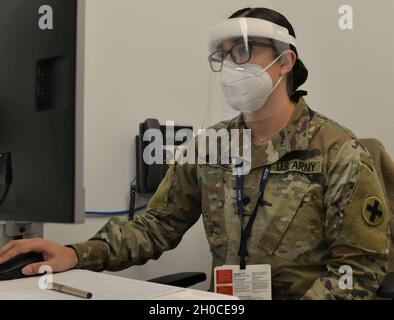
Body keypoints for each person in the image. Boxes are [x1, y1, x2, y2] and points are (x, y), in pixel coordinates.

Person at [0, 7, 390, 300]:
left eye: (242, 50)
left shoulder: (339, 152)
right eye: (222, 55)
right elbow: (155, 227)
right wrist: (75, 253)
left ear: (285, 62)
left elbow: (359, 268)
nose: (229, 65)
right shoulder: (209, 148)